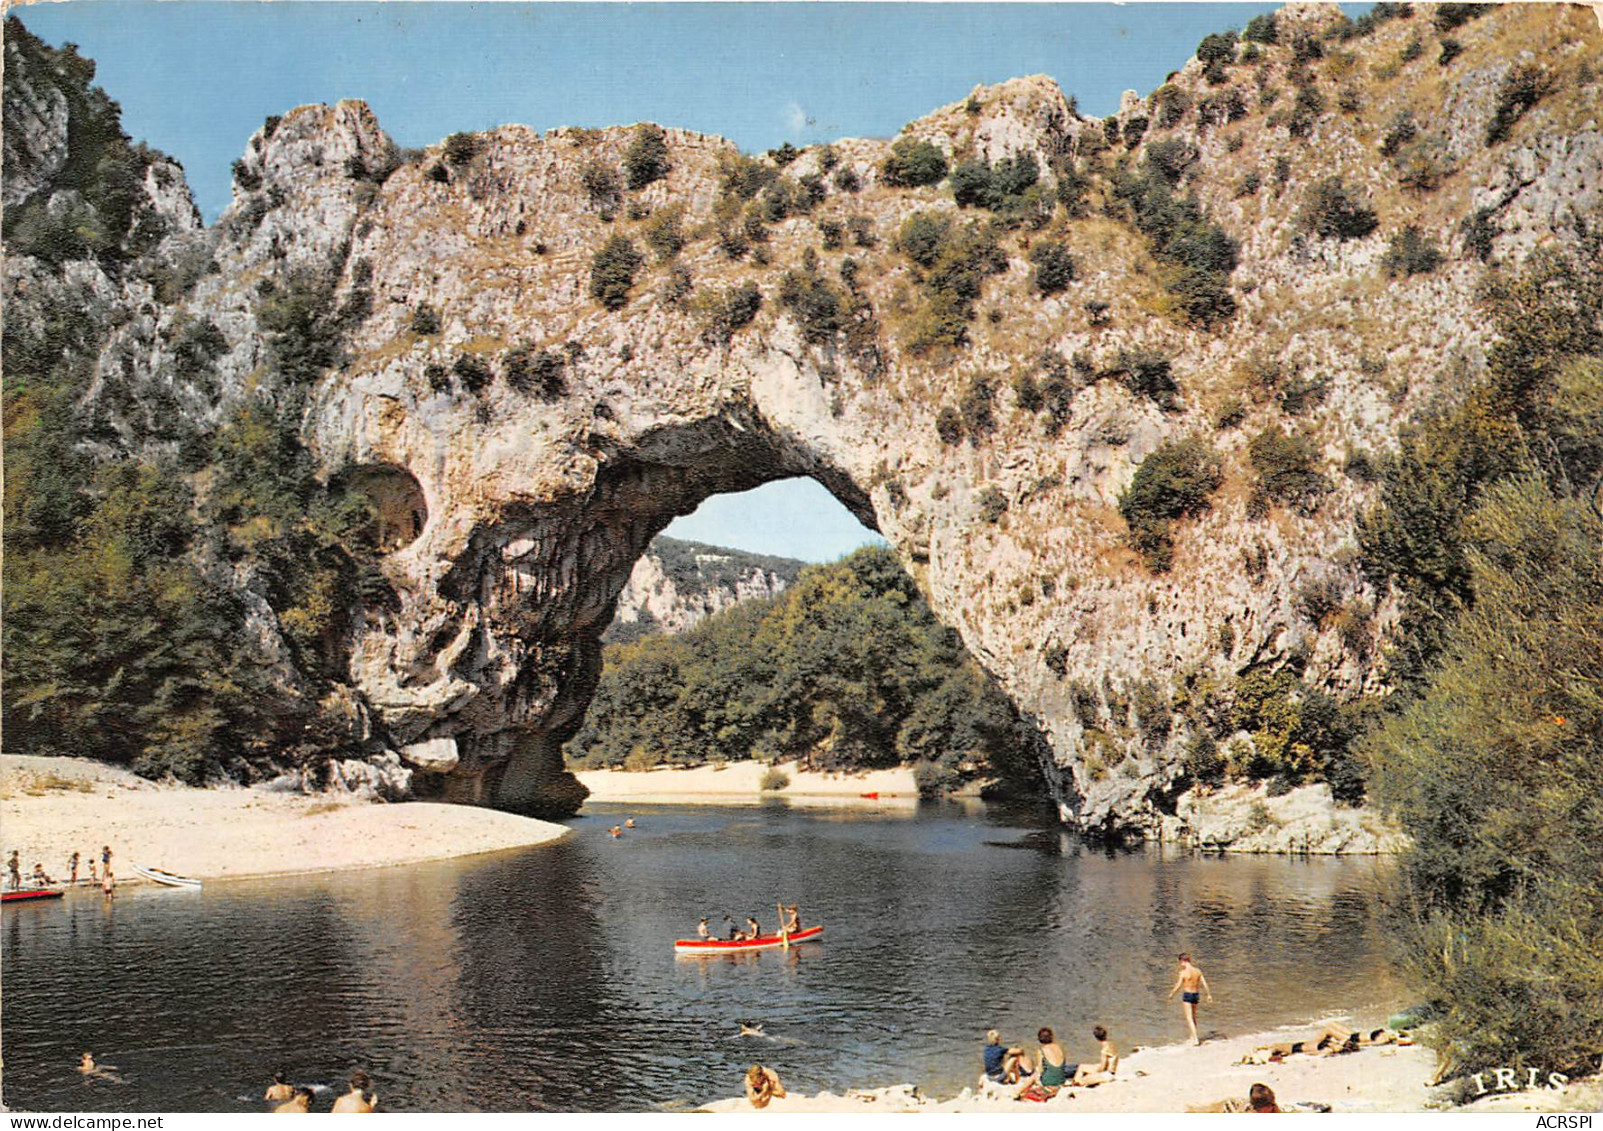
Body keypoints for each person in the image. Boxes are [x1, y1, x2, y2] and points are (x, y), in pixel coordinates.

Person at [1168, 953, 1213, 1045]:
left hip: (1188, 994)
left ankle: (1195, 1039)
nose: (1180, 964)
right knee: (1194, 1016)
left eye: (1180, 962)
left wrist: (1172, 993)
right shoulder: (1197, 971)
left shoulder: (1183, 972)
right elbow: (1204, 983)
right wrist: (1208, 995)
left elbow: (1178, 985)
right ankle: (1192, 1036)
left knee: (1189, 1018)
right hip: (1196, 994)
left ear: (1183, 961)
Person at [1018, 1027, 1069, 1099]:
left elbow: (1040, 1070)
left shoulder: (1041, 1051)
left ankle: (1017, 1092)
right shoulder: (1059, 1047)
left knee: (1034, 1076)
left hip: (1048, 1082)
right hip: (1061, 1080)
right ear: (1052, 1037)